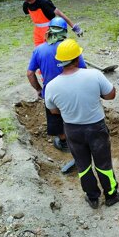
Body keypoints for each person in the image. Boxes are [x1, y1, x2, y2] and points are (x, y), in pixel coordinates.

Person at [45, 39, 119, 209]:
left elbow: (53, 111)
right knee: (103, 164)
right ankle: (111, 195)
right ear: (78, 58)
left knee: (83, 165)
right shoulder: (94, 75)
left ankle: (92, 198)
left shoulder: (52, 86)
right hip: (96, 127)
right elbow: (110, 95)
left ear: (61, 62)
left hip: (72, 130)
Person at [26, 17, 87, 152]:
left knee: (56, 117)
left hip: (52, 93)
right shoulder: (71, 48)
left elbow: (30, 73)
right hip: (73, 91)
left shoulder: (39, 50)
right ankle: (81, 137)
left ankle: (64, 142)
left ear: (49, 31)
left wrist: (38, 89)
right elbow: (83, 70)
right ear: (64, 32)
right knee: (76, 114)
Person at [18, 0, 83, 46]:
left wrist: (74, 27)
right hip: (37, 32)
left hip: (50, 31)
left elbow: (60, 14)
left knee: (51, 52)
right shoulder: (26, 5)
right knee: (40, 52)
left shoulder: (44, 3)